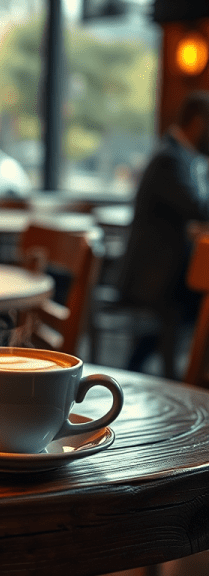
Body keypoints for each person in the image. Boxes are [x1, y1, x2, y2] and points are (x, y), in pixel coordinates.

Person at [117, 90, 209, 376]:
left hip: (163, 275)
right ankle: (185, 380)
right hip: (153, 278)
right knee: (196, 303)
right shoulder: (169, 159)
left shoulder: (177, 156)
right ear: (198, 123)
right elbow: (198, 207)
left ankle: (149, 371)